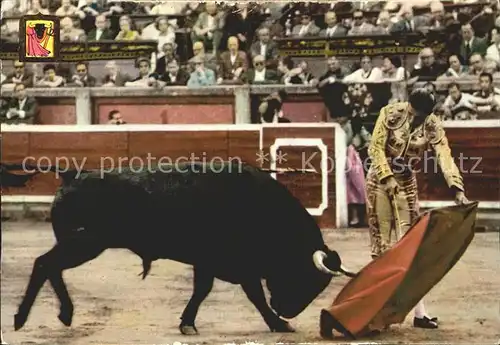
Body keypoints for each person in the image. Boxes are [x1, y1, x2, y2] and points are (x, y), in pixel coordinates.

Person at [366, 88, 469, 329]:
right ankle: (377, 311)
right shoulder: (390, 113)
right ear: (408, 105)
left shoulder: (432, 124)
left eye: (420, 116)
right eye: (413, 113)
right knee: (381, 247)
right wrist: (387, 177)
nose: (415, 120)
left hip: (406, 182)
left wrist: (457, 187)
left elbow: (444, 154)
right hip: (380, 181)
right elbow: (375, 148)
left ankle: (420, 313)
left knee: (413, 246)